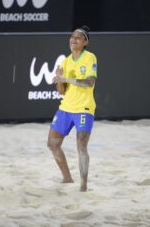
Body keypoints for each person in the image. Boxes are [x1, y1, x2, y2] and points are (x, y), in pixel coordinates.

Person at [47, 26, 97, 192]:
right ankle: (67, 178)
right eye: (72, 37)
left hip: (84, 107)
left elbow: (89, 82)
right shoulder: (66, 61)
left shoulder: (90, 58)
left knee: (81, 145)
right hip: (66, 108)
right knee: (52, 144)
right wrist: (59, 81)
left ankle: (83, 185)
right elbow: (61, 91)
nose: (73, 39)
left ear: (85, 42)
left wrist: (66, 77)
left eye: (78, 37)